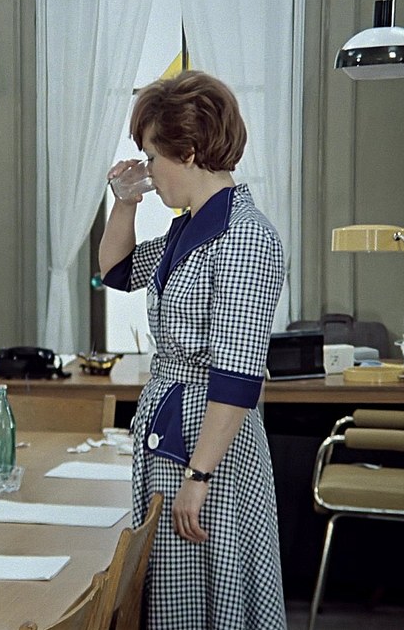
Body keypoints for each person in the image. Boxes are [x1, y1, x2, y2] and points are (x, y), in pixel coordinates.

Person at [99, 70, 286, 628]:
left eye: (153, 158)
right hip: (175, 432)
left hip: (210, 447)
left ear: (188, 152)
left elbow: (238, 375)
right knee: (173, 593)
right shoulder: (190, 228)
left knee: (210, 593)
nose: (150, 171)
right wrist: (126, 202)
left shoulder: (245, 235)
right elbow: (115, 271)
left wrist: (199, 476)